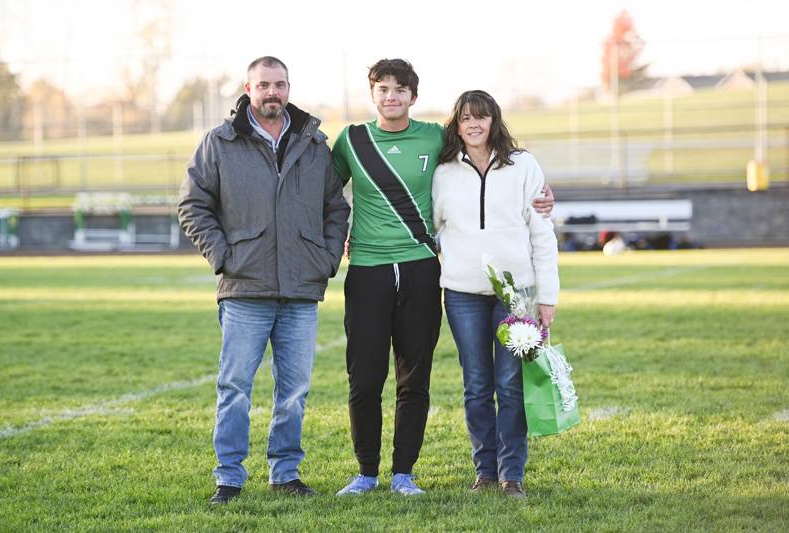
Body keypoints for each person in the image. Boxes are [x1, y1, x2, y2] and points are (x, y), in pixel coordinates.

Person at [331, 59, 554, 496]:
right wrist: (338, 233)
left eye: (400, 89)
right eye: (382, 89)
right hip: (374, 272)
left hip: (423, 271)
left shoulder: (436, 139)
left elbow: (509, 181)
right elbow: (320, 189)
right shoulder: (351, 140)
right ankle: (366, 472)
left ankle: (407, 473)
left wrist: (545, 197)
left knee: (420, 378)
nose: (391, 96)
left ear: (414, 96)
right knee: (368, 379)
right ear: (372, 94)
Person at [177, 56, 350, 504]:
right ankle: (229, 478)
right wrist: (223, 256)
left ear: (289, 88)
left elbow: (337, 208)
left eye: (280, 84)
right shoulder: (219, 143)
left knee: (294, 390)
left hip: (300, 289)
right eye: (264, 85)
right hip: (244, 287)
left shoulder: (314, 146)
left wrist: (326, 258)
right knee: (234, 387)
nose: (273, 92)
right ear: (248, 89)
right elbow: (193, 205)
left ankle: (285, 473)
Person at [432, 90, 560, 499]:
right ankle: (484, 471)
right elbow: (430, 226)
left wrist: (547, 296)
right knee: (475, 384)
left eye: (481, 117)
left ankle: (511, 475)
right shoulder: (443, 171)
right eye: (466, 118)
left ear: (494, 121)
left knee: (510, 385)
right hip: (462, 294)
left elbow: (542, 232)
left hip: (515, 296)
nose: (474, 124)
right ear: (456, 124)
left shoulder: (523, 166)